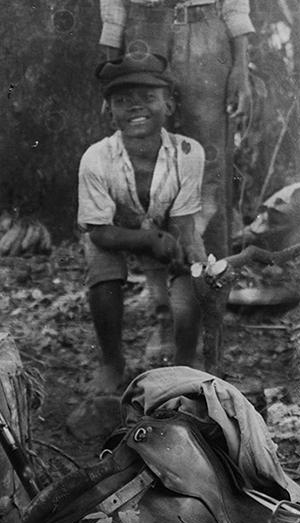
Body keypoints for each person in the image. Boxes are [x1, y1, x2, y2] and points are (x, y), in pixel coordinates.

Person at [78, 54, 207, 393]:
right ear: (108, 112)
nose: (136, 108)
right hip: (114, 231)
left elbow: (183, 219)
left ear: (169, 105)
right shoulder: (96, 158)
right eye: (122, 101)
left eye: (148, 98)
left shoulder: (189, 153)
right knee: (101, 268)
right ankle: (111, 361)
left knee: (191, 267)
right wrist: (148, 241)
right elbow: (98, 231)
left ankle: (186, 361)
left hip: (168, 224)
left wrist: (179, 246)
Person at [98, 0, 254, 259]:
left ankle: (211, 278)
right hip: (143, 36)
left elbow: (236, 6)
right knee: (147, 162)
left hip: (207, 36)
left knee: (209, 164)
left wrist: (240, 68)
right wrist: (112, 73)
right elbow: (113, 8)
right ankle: (164, 283)